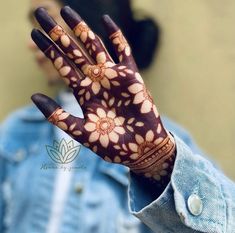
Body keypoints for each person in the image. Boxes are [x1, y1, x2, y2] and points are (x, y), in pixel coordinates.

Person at [1, 2, 234, 233]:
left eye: (44, 21)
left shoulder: (163, 145)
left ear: (83, 18)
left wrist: (158, 167)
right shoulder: (16, 132)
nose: (30, 45)